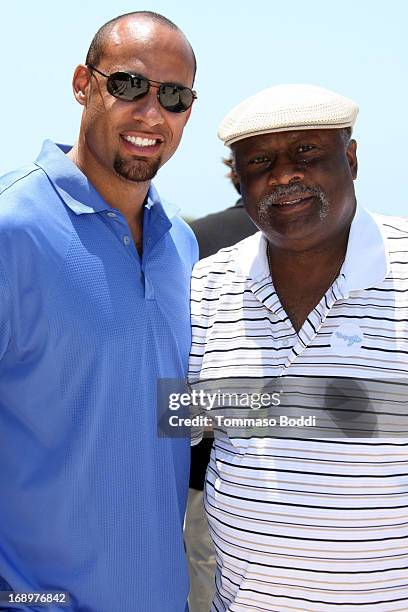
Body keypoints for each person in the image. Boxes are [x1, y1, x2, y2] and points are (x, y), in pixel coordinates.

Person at [0, 11, 197, 612]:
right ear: (84, 84)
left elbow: (166, 409)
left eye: (174, 96)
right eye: (130, 85)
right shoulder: (11, 229)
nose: (151, 113)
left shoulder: (181, 246)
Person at [189, 84, 408, 610]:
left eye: (307, 152)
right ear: (239, 180)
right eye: (261, 161)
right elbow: (178, 417)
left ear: (350, 159)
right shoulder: (207, 285)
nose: (284, 174)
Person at [185, 160, 256, 611]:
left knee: (206, 581)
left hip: (201, 473)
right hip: (329, 480)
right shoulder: (342, 244)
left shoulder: (190, 240)